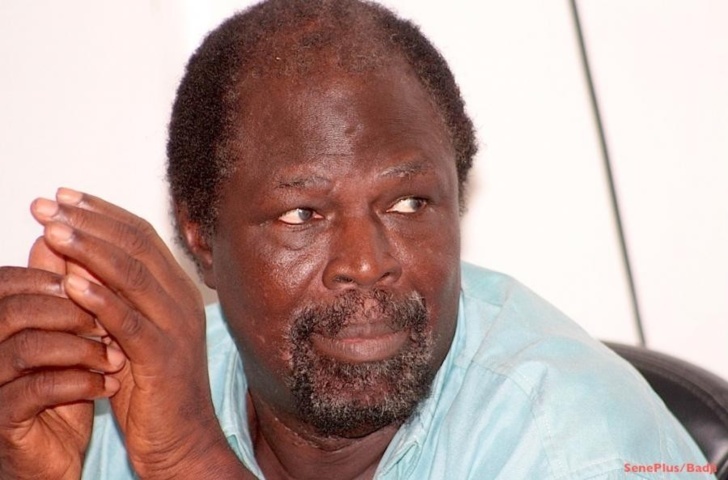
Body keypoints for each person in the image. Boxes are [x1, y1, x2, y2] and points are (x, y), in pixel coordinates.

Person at [0, 1, 714, 479]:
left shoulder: (575, 447)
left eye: (408, 204)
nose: (368, 263)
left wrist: (187, 457)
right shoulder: (128, 392)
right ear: (202, 237)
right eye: (302, 215)